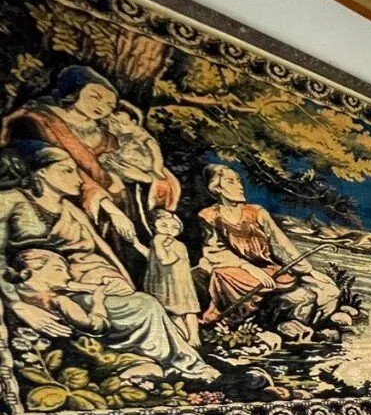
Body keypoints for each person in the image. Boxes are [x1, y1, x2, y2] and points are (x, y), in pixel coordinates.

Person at [0, 141, 215, 380]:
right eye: (67, 171)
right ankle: (184, 363)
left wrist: (120, 281)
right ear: (41, 172)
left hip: (89, 279)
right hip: (44, 285)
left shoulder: (70, 210)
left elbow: (103, 251)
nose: (79, 180)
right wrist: (17, 305)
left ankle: (171, 362)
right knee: (145, 305)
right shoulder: (10, 201)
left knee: (143, 302)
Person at [0, 66, 140, 247]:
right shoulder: (42, 119)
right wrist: (107, 204)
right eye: (95, 97)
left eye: (109, 105)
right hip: (61, 194)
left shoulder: (107, 134)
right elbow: (59, 164)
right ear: (75, 91)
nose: (101, 106)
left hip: (112, 197)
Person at [197, 164, 339, 329]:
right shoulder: (209, 215)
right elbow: (215, 250)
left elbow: (281, 244)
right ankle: (233, 322)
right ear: (217, 188)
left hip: (269, 268)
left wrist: (308, 270)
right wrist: (248, 267)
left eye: (239, 181)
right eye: (231, 182)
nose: (240, 186)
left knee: (326, 291)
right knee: (221, 274)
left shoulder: (257, 212)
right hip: (237, 269)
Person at [98, 100, 181, 234]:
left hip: (149, 175)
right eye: (114, 123)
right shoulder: (118, 136)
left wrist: (155, 172)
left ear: (134, 122)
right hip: (127, 172)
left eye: (123, 123)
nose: (118, 127)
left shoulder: (144, 138)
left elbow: (156, 158)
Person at [144, 209, 200, 345]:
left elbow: (165, 260)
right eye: (164, 226)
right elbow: (150, 257)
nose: (169, 230)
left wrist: (158, 243)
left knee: (188, 310)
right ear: (154, 226)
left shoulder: (178, 245)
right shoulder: (157, 244)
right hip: (164, 284)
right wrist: (135, 243)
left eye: (174, 227)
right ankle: (185, 336)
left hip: (179, 285)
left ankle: (194, 336)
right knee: (172, 311)